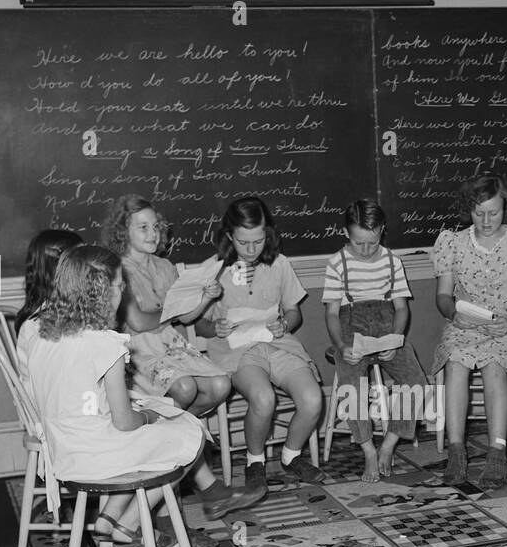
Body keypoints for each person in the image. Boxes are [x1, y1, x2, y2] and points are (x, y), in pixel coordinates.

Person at [22, 245, 207, 547]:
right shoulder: (105, 345)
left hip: (64, 455)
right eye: (121, 285)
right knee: (191, 434)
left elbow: (80, 399)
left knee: (157, 432)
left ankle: (108, 516)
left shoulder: (42, 336)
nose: (124, 291)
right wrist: (147, 417)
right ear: (104, 293)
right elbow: (124, 423)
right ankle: (128, 523)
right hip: (99, 456)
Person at [195, 196, 326, 499]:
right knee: (263, 399)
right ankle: (255, 462)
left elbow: (294, 312)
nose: (252, 249)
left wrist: (285, 324)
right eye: (244, 242)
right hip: (237, 350)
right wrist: (214, 327)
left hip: (276, 343)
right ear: (229, 236)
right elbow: (198, 324)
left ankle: (291, 456)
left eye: (259, 240)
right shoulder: (213, 270)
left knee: (312, 398)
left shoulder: (279, 265)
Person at [431, 175, 507, 489]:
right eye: (477, 212)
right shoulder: (451, 243)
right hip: (464, 324)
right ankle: (457, 451)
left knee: (495, 368)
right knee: (455, 363)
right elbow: (443, 296)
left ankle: (497, 451)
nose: (485, 220)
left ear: (506, 208)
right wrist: (454, 312)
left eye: (493, 213)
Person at [322, 199, 430, 482]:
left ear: (382, 230)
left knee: (417, 381)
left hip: (387, 326)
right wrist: (341, 346)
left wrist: (395, 340)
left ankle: (389, 443)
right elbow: (332, 313)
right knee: (351, 384)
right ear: (346, 233)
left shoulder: (392, 261)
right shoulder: (337, 263)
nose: (367, 250)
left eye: (372, 242)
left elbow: (401, 308)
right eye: (359, 244)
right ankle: (368, 450)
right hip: (350, 326)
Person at [101, 193, 231, 419]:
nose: (153, 234)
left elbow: (187, 318)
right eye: (143, 227)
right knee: (185, 388)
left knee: (220, 385)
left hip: (170, 344)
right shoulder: (116, 268)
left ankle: (179, 426)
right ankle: (171, 435)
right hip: (135, 350)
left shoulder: (164, 267)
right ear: (123, 231)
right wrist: (171, 313)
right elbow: (138, 322)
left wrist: (206, 297)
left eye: (156, 227)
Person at [13, 229, 83, 385]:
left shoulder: (71, 311)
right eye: (81, 262)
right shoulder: (40, 326)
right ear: (56, 271)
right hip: (53, 404)